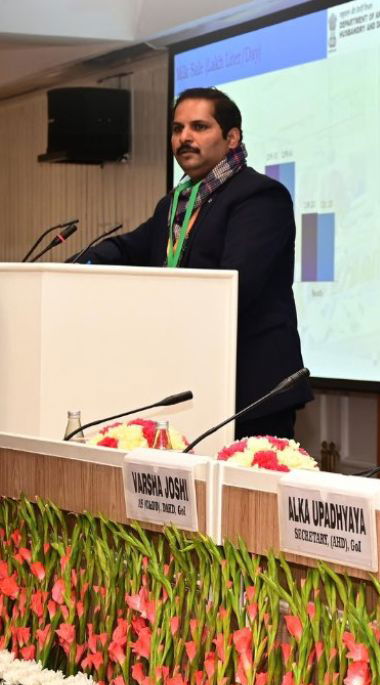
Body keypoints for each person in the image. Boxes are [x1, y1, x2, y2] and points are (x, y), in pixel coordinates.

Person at [77, 87, 311, 439]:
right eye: (177, 129)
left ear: (232, 138)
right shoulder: (176, 203)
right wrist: (76, 264)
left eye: (199, 127)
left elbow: (237, 283)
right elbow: (130, 248)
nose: (184, 137)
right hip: (190, 378)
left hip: (249, 389)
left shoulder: (259, 196)